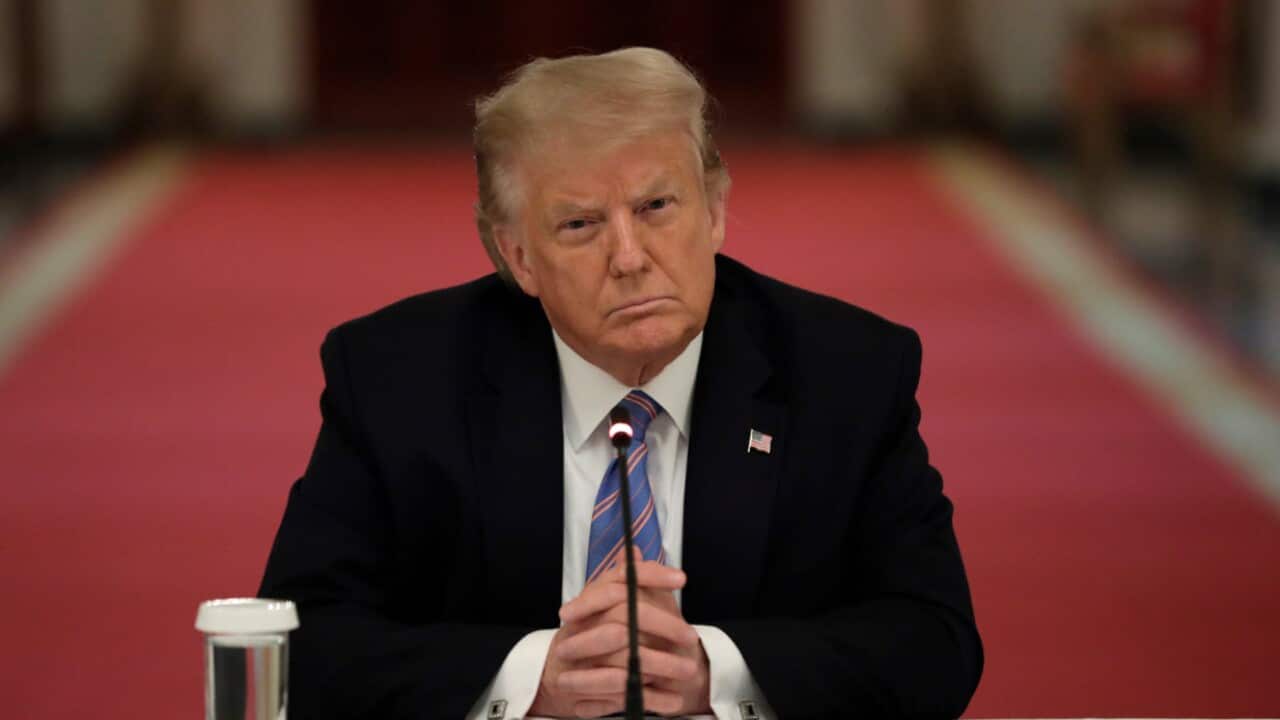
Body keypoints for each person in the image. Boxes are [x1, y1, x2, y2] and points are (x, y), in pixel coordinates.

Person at [259, 47, 982, 719]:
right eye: (579, 224)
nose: (630, 257)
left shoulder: (845, 372)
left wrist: (717, 671)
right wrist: (533, 676)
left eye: (657, 208)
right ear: (519, 258)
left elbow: (934, 641)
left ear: (717, 211)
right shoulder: (398, 379)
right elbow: (296, 641)